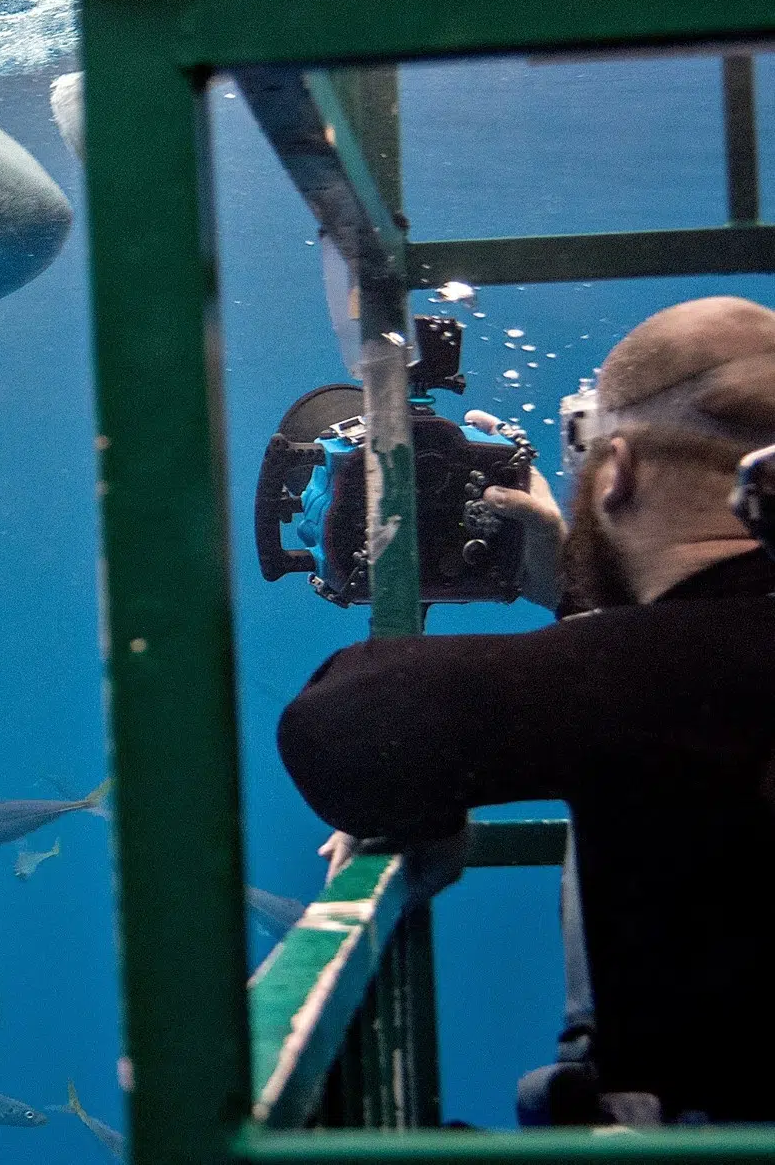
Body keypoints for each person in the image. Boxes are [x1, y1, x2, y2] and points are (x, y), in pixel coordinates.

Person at [277, 296, 775, 1125]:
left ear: (614, 470)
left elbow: (342, 728)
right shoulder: (679, 667)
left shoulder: (657, 673)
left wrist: (589, 608)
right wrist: (580, 602)